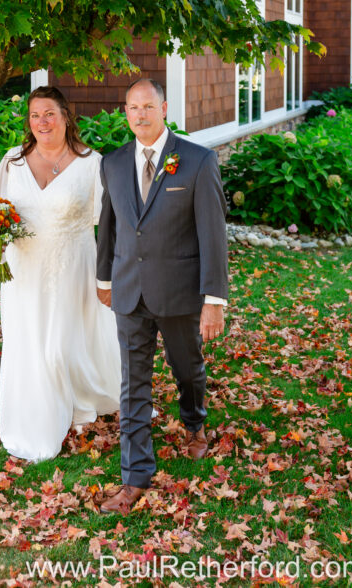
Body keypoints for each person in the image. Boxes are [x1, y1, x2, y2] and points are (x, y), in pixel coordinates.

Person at [96, 78, 228, 514]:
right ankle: (135, 476)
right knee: (133, 385)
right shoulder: (113, 164)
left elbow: (213, 236)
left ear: (164, 108)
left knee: (187, 368)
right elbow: (110, 227)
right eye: (132, 108)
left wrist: (214, 300)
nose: (140, 115)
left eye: (148, 106)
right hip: (129, 293)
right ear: (126, 113)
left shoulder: (197, 161)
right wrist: (104, 280)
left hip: (180, 293)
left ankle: (194, 422)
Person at [0, 86, 121, 462]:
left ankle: (75, 401)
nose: (42, 122)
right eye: (35, 115)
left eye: (49, 113)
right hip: (22, 271)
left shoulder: (92, 163)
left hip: (71, 267)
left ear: (65, 116)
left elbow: (106, 223)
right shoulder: (13, 161)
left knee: (59, 346)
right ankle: (38, 415)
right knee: (25, 340)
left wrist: (106, 275)